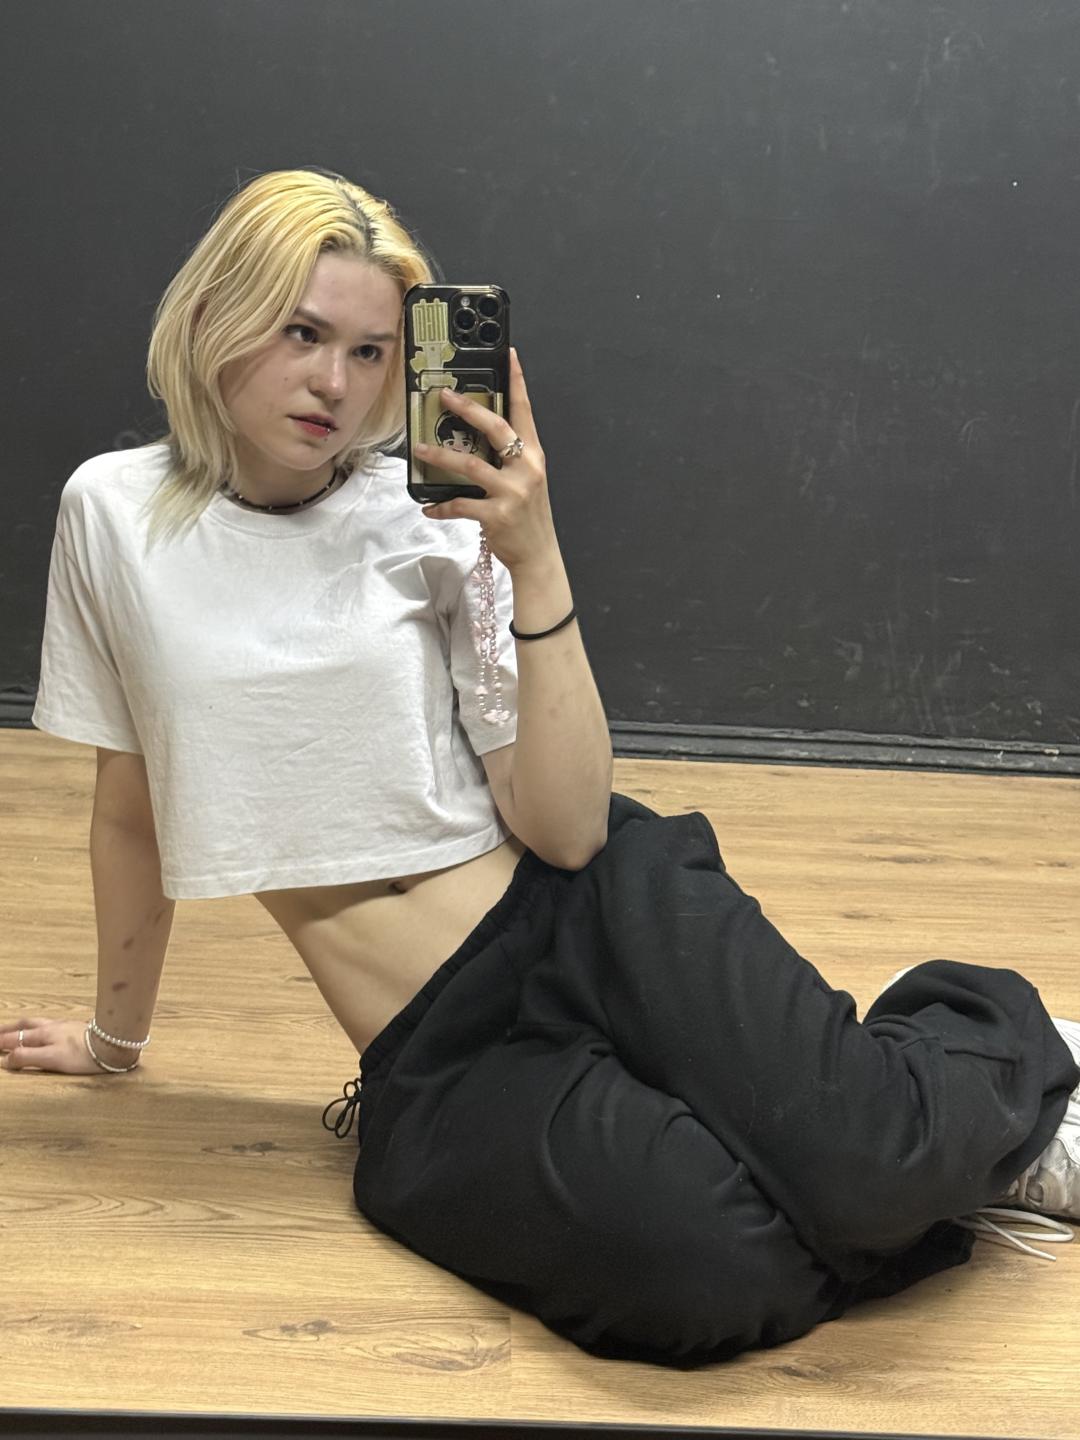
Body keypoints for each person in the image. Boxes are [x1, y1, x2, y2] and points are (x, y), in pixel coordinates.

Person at [4, 167, 1079, 1369]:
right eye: (301, 333)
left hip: (593, 909)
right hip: (440, 1055)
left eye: (370, 352)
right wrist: (114, 1039)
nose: (335, 384)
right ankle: (897, 1137)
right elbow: (130, 808)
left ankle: (986, 1049)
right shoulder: (113, 515)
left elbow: (565, 831)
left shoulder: (433, 514)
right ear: (215, 314)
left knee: (866, 1162)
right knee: (707, 1277)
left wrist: (534, 555)